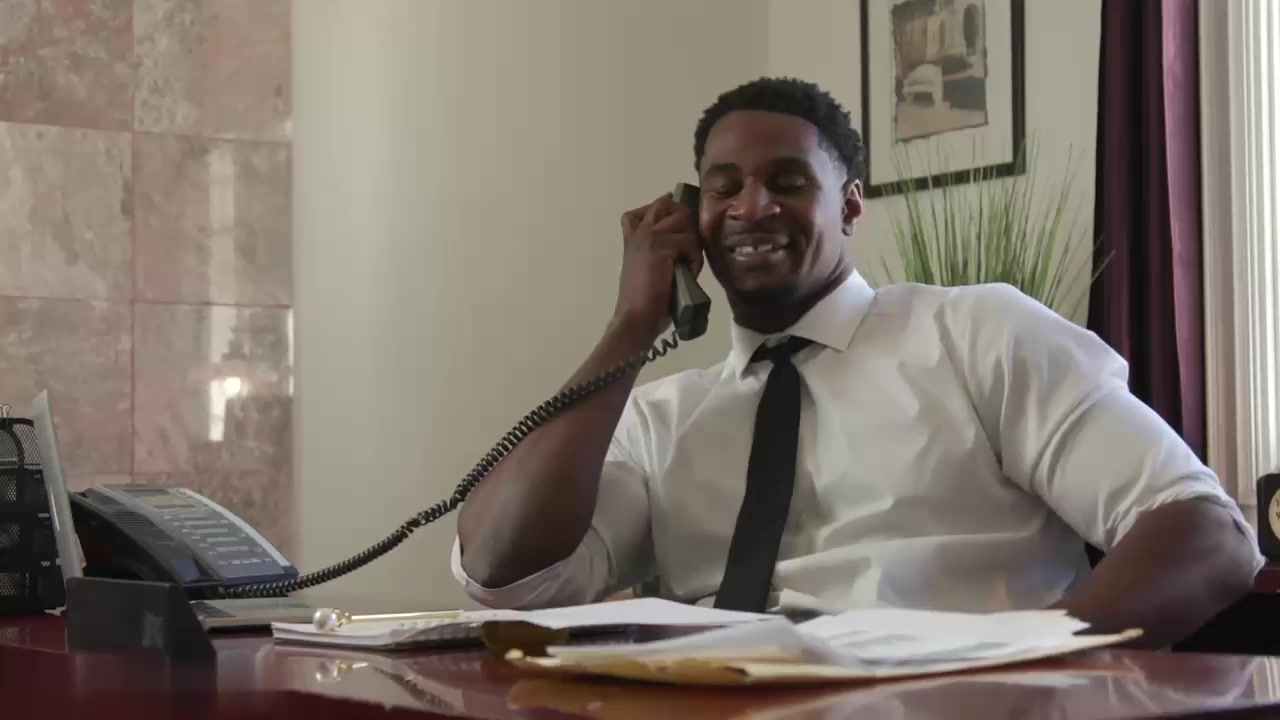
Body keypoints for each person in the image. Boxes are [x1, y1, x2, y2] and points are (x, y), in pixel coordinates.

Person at [451, 76, 1263, 649]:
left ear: (847, 205)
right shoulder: (657, 418)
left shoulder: (976, 335)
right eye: (722, 188)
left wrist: (1022, 670)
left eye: (787, 181)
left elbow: (1208, 534)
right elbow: (505, 574)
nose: (752, 206)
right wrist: (629, 328)